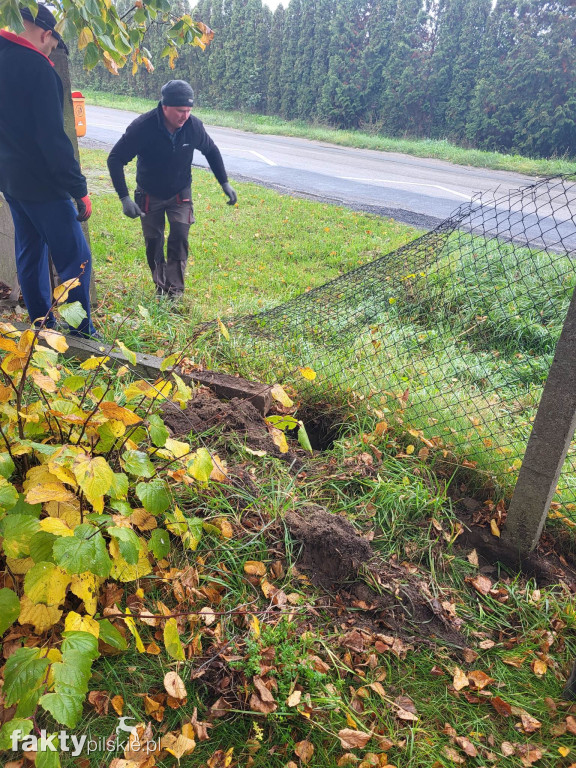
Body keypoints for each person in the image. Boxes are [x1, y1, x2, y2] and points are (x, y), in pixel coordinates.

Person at [0, 3, 98, 338]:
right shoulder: (39, 70)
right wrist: (79, 189)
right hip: (43, 185)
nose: (50, 51)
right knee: (76, 258)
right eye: (53, 45)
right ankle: (80, 332)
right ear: (45, 35)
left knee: (30, 252)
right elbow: (54, 142)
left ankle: (41, 324)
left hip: (11, 181)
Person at [107, 80, 237, 298]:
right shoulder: (143, 127)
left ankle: (175, 292)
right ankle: (161, 288)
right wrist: (124, 198)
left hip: (180, 191)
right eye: (180, 111)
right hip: (148, 192)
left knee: (180, 235)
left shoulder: (193, 127)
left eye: (188, 110)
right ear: (165, 106)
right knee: (154, 241)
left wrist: (224, 182)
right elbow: (115, 158)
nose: (185, 116)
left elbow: (211, 150)